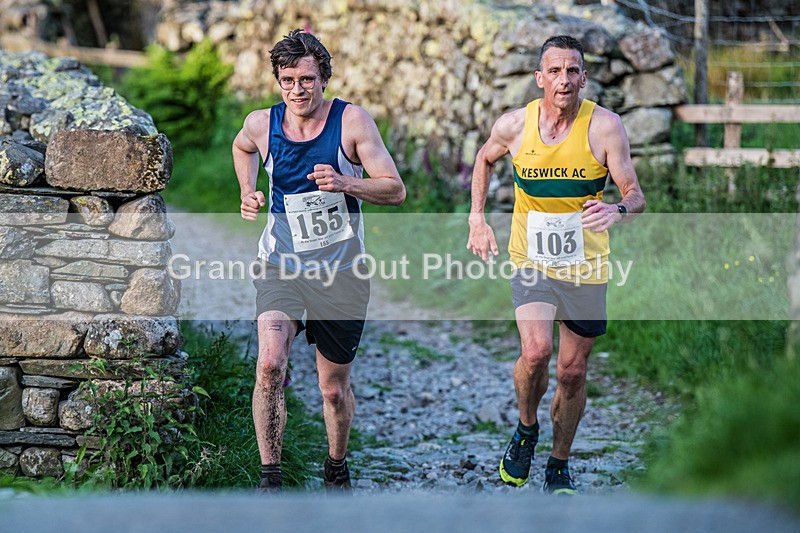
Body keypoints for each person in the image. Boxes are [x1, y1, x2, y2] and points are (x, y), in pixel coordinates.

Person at [467, 35, 645, 495]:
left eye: (573, 71)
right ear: (539, 78)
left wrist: (617, 210)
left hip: (585, 264)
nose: (564, 80)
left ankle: (559, 462)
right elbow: (483, 160)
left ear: (584, 78)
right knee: (535, 352)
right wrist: (477, 218)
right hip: (531, 258)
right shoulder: (513, 125)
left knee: (572, 372)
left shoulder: (605, 127)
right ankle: (527, 429)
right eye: (555, 71)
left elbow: (634, 194)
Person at [232, 29, 405, 492]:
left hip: (341, 273)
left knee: (332, 388)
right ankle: (271, 479)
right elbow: (242, 147)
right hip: (281, 265)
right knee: (270, 364)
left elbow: (395, 188)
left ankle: (336, 465)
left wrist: (347, 183)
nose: (297, 89)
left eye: (306, 79)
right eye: (287, 80)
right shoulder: (261, 124)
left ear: (323, 77)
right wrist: (249, 191)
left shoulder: (352, 123)